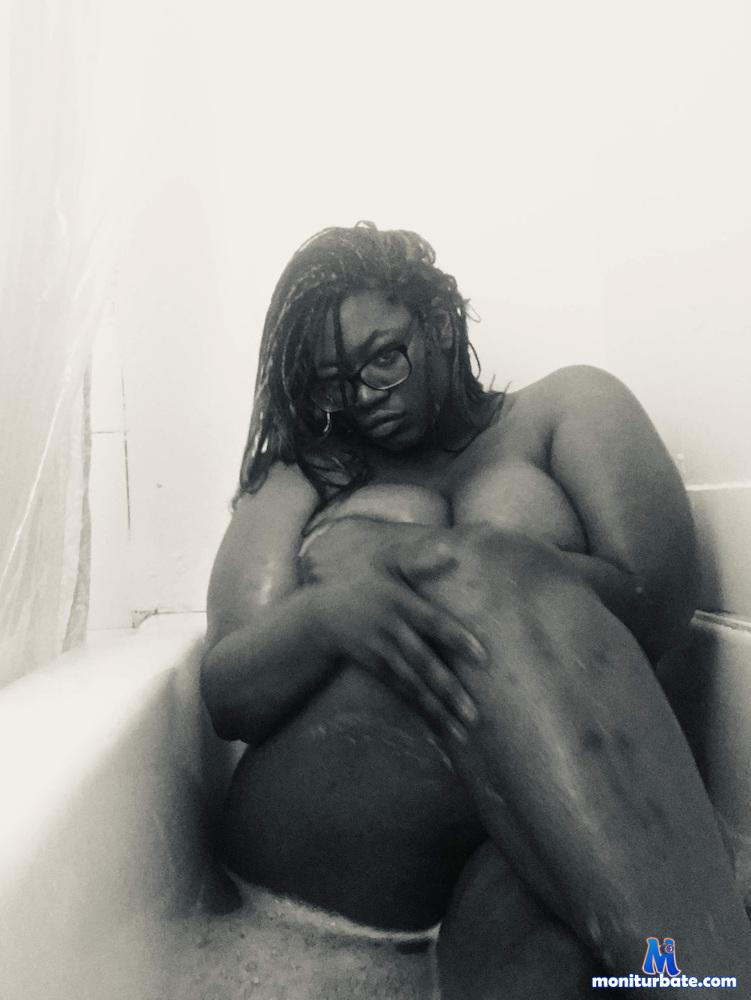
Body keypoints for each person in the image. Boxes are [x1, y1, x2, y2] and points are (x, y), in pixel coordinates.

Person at [201, 222, 751, 998]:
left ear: (437, 322)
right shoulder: (302, 476)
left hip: (539, 820)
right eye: (332, 382)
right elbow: (228, 696)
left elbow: (655, 606)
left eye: (383, 357)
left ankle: (688, 972)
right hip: (339, 841)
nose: (362, 397)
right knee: (478, 572)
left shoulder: (563, 409)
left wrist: (410, 557)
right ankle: (716, 986)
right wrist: (326, 611)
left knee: (545, 962)